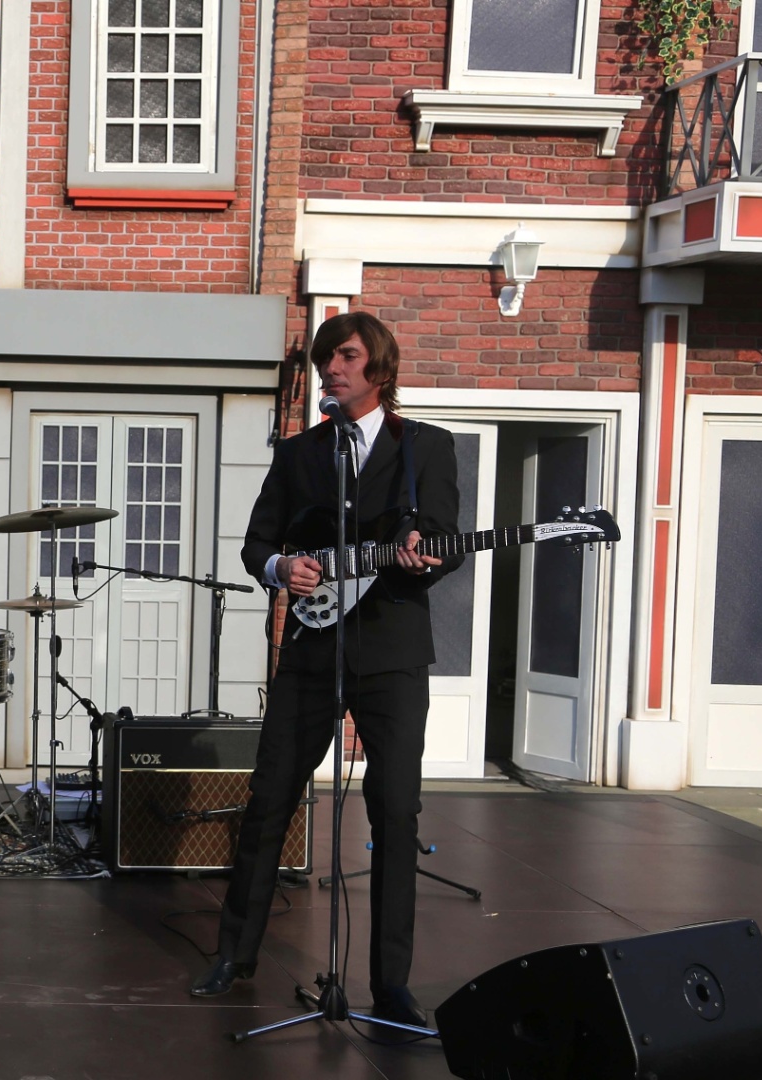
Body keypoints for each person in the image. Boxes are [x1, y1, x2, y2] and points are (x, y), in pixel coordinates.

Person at [189, 311, 461, 1028]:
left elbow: (446, 540)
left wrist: (425, 551)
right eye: (324, 359)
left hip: (394, 653)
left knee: (396, 810)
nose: (330, 369)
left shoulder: (425, 447)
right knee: (269, 798)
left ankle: (392, 984)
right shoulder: (299, 452)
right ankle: (234, 954)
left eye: (344, 356)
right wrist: (285, 568)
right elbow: (256, 545)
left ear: (379, 365)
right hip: (312, 652)